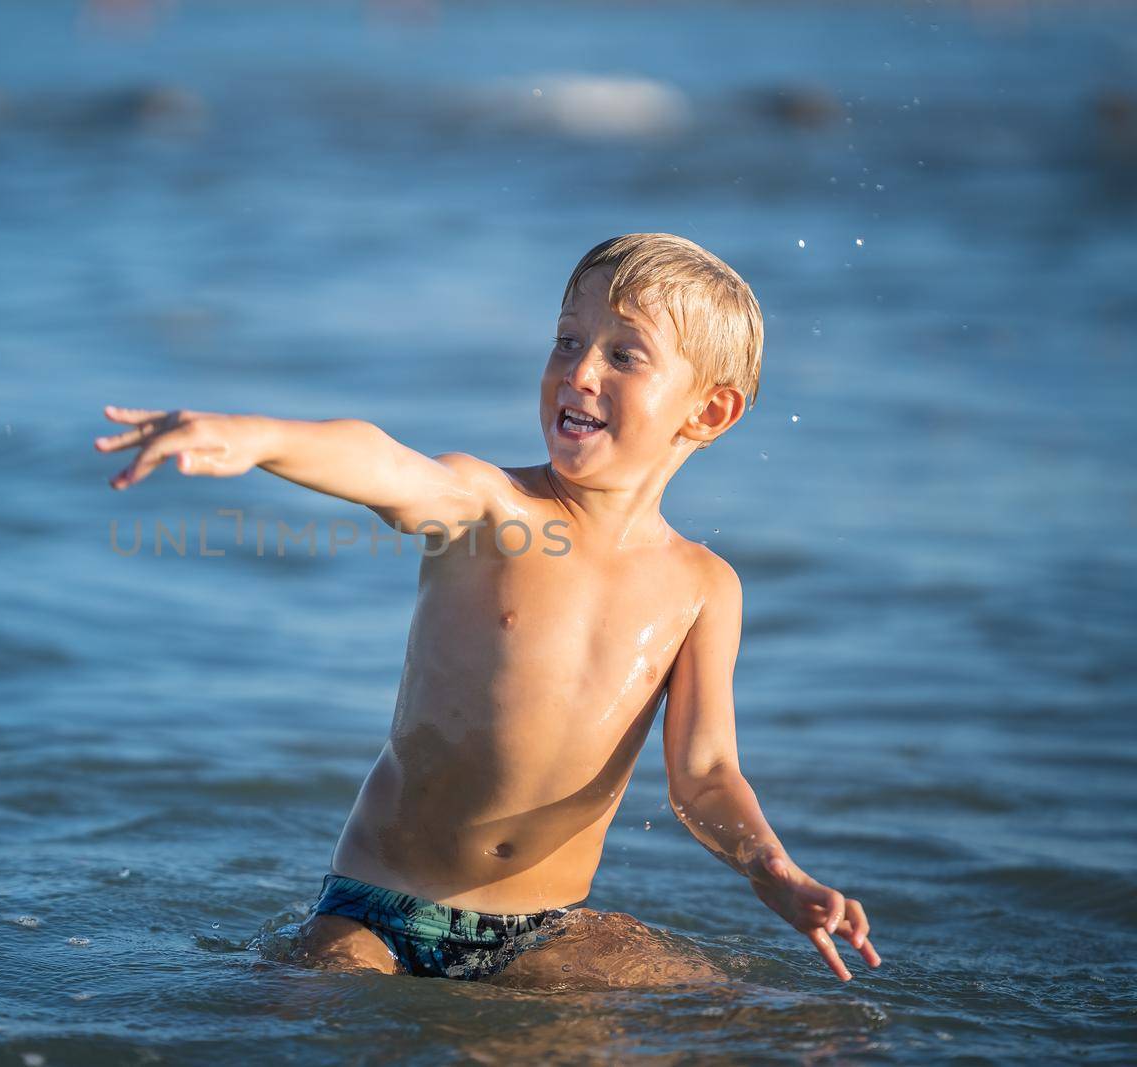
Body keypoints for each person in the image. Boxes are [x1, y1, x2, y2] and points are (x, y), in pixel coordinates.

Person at [93, 233, 881, 987]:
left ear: (708, 412)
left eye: (622, 353)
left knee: (768, 1021)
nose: (577, 371)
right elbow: (385, 463)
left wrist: (772, 867)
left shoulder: (704, 587)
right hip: (376, 910)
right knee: (310, 1013)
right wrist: (258, 436)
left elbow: (704, 776)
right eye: (567, 341)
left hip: (540, 927)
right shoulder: (491, 506)